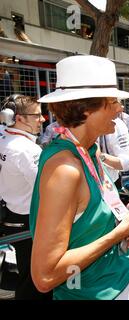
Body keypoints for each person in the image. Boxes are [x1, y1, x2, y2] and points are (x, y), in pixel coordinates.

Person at [29, 55, 129, 300]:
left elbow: (85, 220)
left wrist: (121, 221)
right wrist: (121, 232)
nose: (120, 109)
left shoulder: (89, 150)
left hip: (114, 282)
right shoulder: (66, 169)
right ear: (87, 108)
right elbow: (45, 276)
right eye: (113, 101)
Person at [0, 94, 51, 300]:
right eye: (37, 115)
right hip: (28, 218)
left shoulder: (4, 137)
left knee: (26, 273)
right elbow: (45, 189)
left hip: (10, 212)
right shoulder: (27, 150)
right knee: (34, 279)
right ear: (18, 118)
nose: (43, 119)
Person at [98, 117, 129, 189]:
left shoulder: (116, 123)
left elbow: (128, 163)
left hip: (108, 182)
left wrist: (100, 156)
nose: (120, 108)